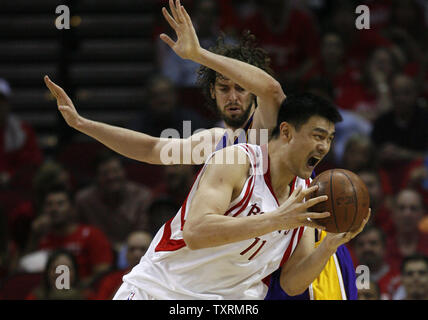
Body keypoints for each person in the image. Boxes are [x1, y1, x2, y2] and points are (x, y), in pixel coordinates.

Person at [45, 0, 359, 300]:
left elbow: (272, 89)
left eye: (240, 86)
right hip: (211, 268)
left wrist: (198, 54)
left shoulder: (270, 129)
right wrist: (86, 126)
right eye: (224, 87)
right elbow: (152, 148)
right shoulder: (217, 142)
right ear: (212, 92)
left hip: (297, 244)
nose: (233, 96)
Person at [113, 93, 368, 300]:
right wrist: (278, 219)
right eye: (318, 136)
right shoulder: (238, 161)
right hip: (160, 291)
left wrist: (328, 246)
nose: (325, 147)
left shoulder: (307, 194)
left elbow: (291, 284)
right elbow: (197, 232)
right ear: (287, 132)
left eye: (330, 139)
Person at [24, 184, 114, 287]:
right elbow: (24, 269)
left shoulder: (92, 235)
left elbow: (103, 273)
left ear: (72, 208)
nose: (54, 209)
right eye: (49, 204)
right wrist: (34, 235)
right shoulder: (41, 237)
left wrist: (73, 288)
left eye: (60, 204)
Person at [75, 149, 153, 253]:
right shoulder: (84, 201)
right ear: (96, 176)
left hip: (136, 252)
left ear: (124, 171)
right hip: (98, 253)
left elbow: (144, 232)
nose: (111, 177)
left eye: (115, 171)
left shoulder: (142, 196)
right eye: (105, 173)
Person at [91, 231, 152, 300]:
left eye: (143, 249)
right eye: (132, 249)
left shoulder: (162, 277)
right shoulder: (111, 280)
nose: (136, 254)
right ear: (125, 253)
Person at [352, 225, 401, 300]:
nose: (367, 248)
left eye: (373, 243)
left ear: (384, 247)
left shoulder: (399, 280)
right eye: (361, 244)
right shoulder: (347, 279)